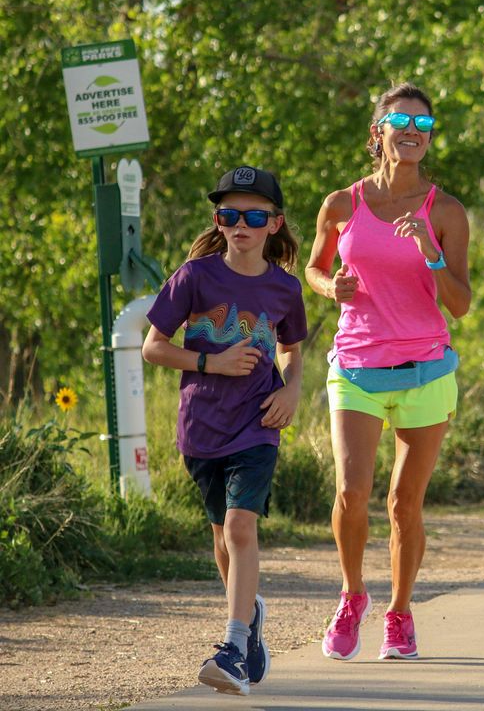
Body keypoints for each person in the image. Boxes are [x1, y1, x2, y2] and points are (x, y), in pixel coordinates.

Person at [305, 83, 471, 661]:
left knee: (405, 503)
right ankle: (353, 595)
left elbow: (461, 302)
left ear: (429, 137)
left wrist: (431, 250)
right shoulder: (341, 204)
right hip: (356, 366)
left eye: (423, 124)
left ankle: (400, 615)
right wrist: (332, 287)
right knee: (352, 494)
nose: (411, 131)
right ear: (377, 133)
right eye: (400, 121)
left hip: (426, 369)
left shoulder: (445, 211)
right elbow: (314, 267)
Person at [142, 166, 307, 696]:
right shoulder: (194, 276)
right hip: (202, 428)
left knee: (240, 527)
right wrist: (212, 364)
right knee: (222, 537)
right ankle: (250, 613)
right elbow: (153, 346)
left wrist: (292, 389)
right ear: (219, 220)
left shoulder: (285, 287)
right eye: (230, 214)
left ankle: (233, 647)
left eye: (255, 215)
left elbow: (292, 349)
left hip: (258, 425)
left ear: (274, 224)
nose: (242, 224)